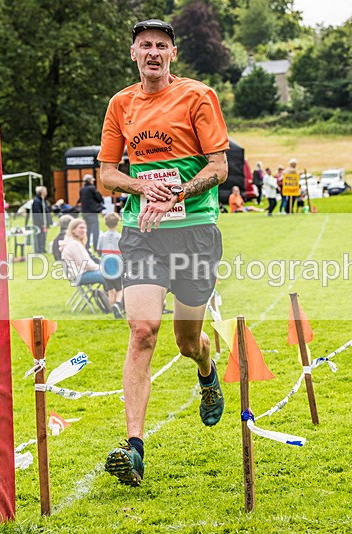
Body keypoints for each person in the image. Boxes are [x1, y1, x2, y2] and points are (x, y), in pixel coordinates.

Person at [97, 18, 229, 487]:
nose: (153, 52)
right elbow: (107, 175)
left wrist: (178, 195)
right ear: (133, 53)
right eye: (144, 46)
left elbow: (219, 165)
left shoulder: (198, 96)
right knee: (142, 329)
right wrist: (142, 189)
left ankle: (207, 372)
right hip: (141, 231)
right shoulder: (121, 104)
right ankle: (133, 449)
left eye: (161, 46)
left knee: (186, 341)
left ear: (173, 55)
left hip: (194, 231)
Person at [60, 219, 104, 285]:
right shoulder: (74, 244)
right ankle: (112, 294)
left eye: (84, 228)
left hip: (78, 273)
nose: (83, 230)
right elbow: (86, 264)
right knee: (110, 275)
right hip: (79, 275)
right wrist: (101, 267)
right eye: (80, 228)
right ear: (73, 230)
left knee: (111, 274)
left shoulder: (72, 242)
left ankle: (107, 294)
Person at [98, 213, 125, 318]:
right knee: (119, 289)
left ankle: (112, 308)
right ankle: (118, 304)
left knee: (110, 290)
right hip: (117, 264)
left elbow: (98, 250)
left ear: (105, 223)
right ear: (117, 223)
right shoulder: (119, 236)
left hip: (105, 264)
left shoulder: (102, 236)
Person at [79, 174, 104, 253]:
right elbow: (99, 198)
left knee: (87, 231)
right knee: (95, 231)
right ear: (89, 180)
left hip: (84, 213)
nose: (93, 181)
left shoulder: (82, 189)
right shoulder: (92, 188)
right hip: (92, 213)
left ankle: (86, 247)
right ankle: (96, 248)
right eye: (92, 180)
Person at [31, 185, 52, 254]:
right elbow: (38, 213)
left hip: (44, 222)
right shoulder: (37, 201)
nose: (46, 192)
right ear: (41, 192)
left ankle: (42, 248)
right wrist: (42, 223)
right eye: (45, 191)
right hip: (40, 223)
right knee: (40, 235)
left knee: (44, 235)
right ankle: (40, 249)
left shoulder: (43, 200)